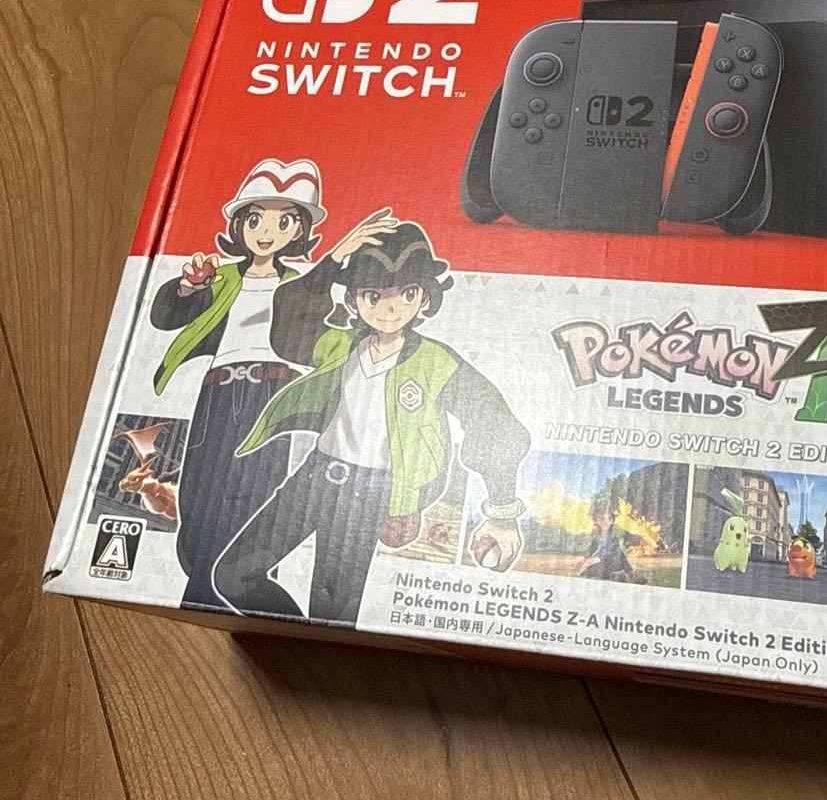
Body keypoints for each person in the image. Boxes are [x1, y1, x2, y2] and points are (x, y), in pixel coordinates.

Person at [213, 212, 530, 626]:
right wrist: (333, 259)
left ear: (424, 297)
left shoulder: (436, 363)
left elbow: (494, 422)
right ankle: (298, 639)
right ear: (354, 300)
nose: (390, 308)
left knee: (332, 614)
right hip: (313, 480)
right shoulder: (340, 346)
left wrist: (502, 511)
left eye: (407, 293)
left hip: (371, 495)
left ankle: (319, 647)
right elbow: (289, 323)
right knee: (233, 576)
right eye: (373, 295)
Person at [150, 158, 325, 610]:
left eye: (283, 221)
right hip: (216, 393)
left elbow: (319, 339)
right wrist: (189, 288)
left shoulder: (303, 284)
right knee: (196, 504)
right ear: (239, 225)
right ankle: (221, 590)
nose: (266, 232)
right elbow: (166, 317)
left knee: (250, 502)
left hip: (269, 393)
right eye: (255, 219)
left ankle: (207, 599)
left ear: (299, 231)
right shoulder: (222, 276)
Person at [579, 495, 646, 584]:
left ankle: (631, 574)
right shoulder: (595, 532)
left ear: (612, 519)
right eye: (602, 518)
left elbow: (628, 535)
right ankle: (614, 575)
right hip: (606, 562)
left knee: (616, 549)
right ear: (596, 520)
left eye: (609, 518)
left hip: (619, 561)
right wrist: (584, 559)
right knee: (585, 572)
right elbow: (593, 546)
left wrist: (637, 538)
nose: (606, 521)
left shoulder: (616, 529)